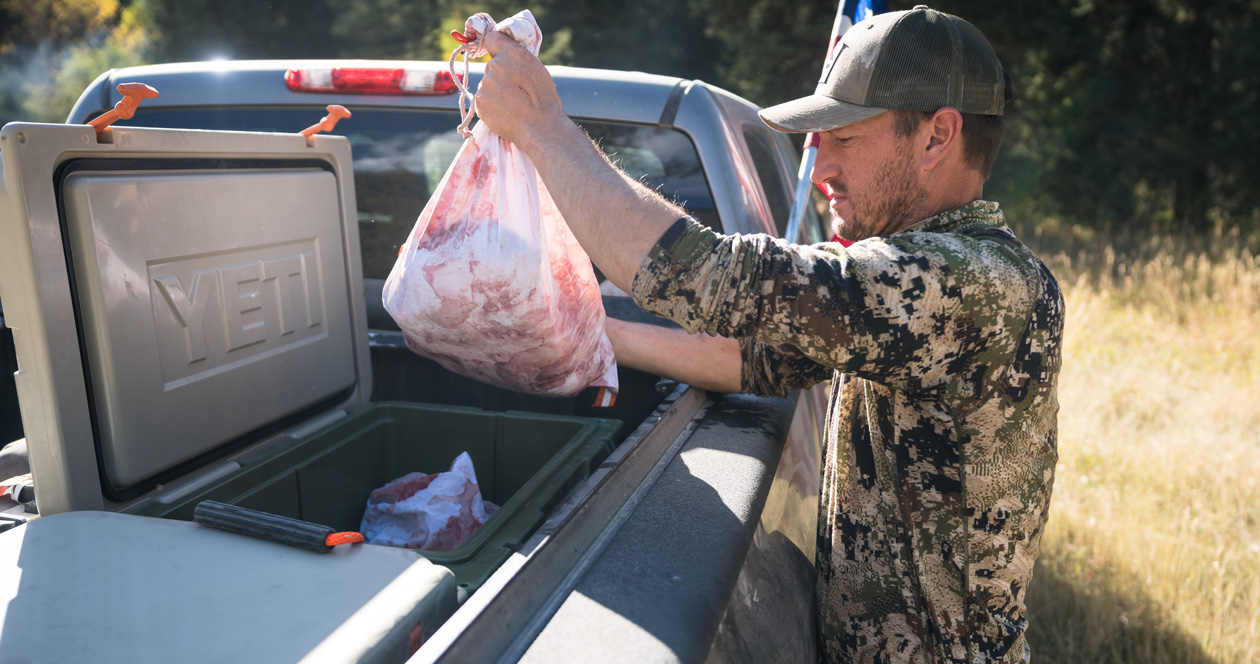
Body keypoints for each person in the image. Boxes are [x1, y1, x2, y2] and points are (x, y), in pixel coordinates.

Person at [475, 5, 1063, 662]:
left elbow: (709, 279)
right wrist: (578, 333)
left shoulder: (976, 280)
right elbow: (753, 359)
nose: (821, 165)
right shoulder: (909, 282)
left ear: (936, 137)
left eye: (846, 138)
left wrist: (542, 126)